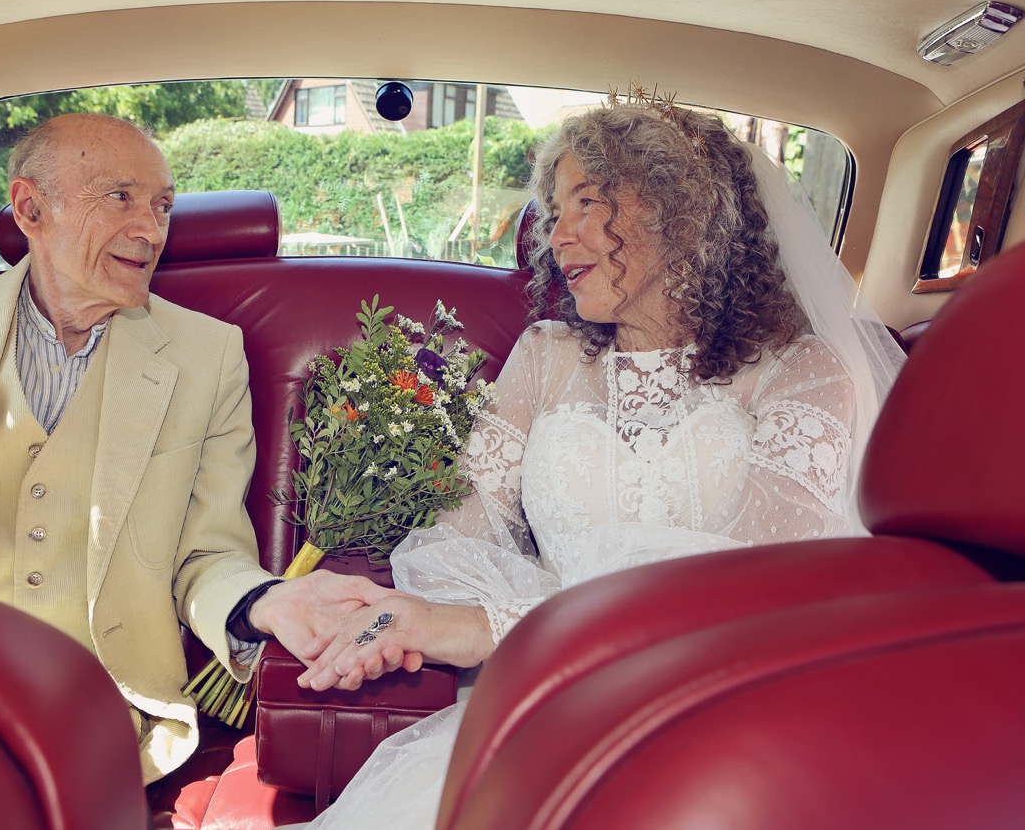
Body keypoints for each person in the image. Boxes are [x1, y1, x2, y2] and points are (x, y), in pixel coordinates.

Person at [295, 99, 906, 827]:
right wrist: (439, 615)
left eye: (588, 203)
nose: (557, 235)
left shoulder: (801, 372)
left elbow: (752, 596)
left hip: (728, 727)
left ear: (684, 212)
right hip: (550, 706)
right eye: (553, 211)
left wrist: (492, 623)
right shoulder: (545, 356)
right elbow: (453, 538)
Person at [0, 112, 396, 785]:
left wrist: (265, 604)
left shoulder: (208, 357)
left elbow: (207, 554)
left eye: (162, 205)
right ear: (30, 207)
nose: (150, 229)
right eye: (120, 196)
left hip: (96, 694)